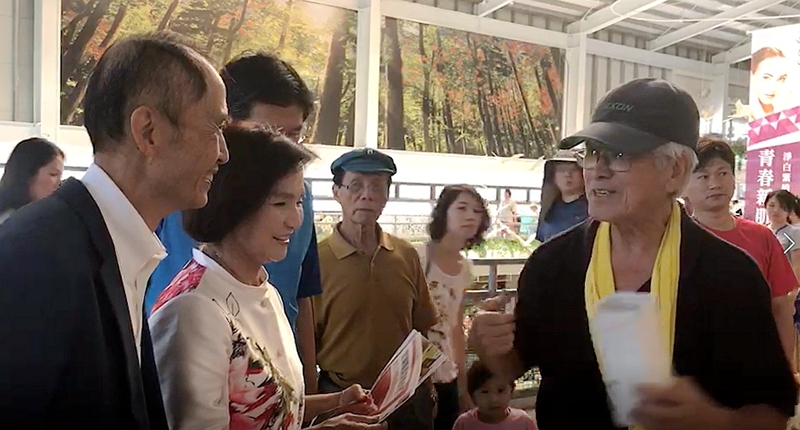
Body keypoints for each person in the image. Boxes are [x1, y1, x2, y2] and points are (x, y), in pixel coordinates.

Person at [469, 78, 797, 429]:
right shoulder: (551, 265)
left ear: (675, 171)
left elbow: (773, 415)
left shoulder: (730, 276)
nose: (598, 170)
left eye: (620, 155)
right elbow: (514, 364)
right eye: (592, 153)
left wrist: (712, 421)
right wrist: (490, 346)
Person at [0, 32, 229, 428]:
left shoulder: (113, 245)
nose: (223, 153)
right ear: (148, 132)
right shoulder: (35, 257)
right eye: (215, 128)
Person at [149, 123, 382, 430]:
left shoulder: (261, 285)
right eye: (280, 203)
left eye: (298, 202)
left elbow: (269, 407)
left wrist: (336, 402)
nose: (295, 220)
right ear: (233, 205)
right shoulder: (193, 310)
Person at [145, 52, 322, 391]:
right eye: (269, 133)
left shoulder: (300, 197)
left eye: (294, 135)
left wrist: (310, 391)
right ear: (226, 128)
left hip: (273, 377)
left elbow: (303, 294)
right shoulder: (180, 191)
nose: (284, 150)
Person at [313, 148, 438, 430]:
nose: (366, 195)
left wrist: (427, 386)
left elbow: (421, 327)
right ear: (336, 192)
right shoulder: (317, 261)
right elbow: (306, 341)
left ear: (386, 196)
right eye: (355, 186)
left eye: (377, 187)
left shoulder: (405, 255)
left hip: (407, 398)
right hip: (343, 400)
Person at [684, 137, 798, 378]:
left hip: (754, 369)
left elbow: (781, 308)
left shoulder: (762, 237)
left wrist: (786, 368)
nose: (715, 184)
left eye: (723, 173)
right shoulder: (674, 239)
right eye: (703, 176)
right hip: (691, 372)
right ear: (683, 185)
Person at [415, 184, 491, 430]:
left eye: (477, 211)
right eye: (462, 208)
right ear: (443, 213)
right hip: (414, 373)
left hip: (445, 371)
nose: (470, 216)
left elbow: (455, 327)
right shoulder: (419, 256)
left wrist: (462, 384)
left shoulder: (465, 268)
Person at [452, 361, 537, 430]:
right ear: (473, 396)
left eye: (501, 391)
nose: (493, 399)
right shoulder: (464, 424)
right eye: (485, 392)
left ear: (511, 391)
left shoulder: (523, 422)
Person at [0, 137, 64, 224]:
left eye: (60, 176)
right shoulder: (10, 221)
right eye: (53, 174)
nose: (59, 183)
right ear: (28, 173)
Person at [534, 150, 587, 243]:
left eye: (574, 169)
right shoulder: (549, 209)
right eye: (561, 169)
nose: (567, 174)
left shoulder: (594, 210)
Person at [765, 190, 800, 282]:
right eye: (772, 205)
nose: (776, 210)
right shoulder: (760, 230)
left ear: (789, 211)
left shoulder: (795, 233)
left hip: (784, 283)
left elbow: (797, 266)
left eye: (782, 207)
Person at [750, 47, 790, 119]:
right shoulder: (745, 113)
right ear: (752, 75)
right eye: (766, 78)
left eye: (781, 79)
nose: (773, 87)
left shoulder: (785, 106)